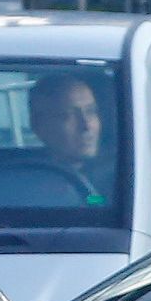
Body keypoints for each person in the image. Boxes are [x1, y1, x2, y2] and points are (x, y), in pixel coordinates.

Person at [30, 70, 112, 205]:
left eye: (91, 112)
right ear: (38, 125)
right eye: (68, 115)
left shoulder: (122, 176)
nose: (86, 126)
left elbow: (101, 204)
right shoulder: (17, 178)